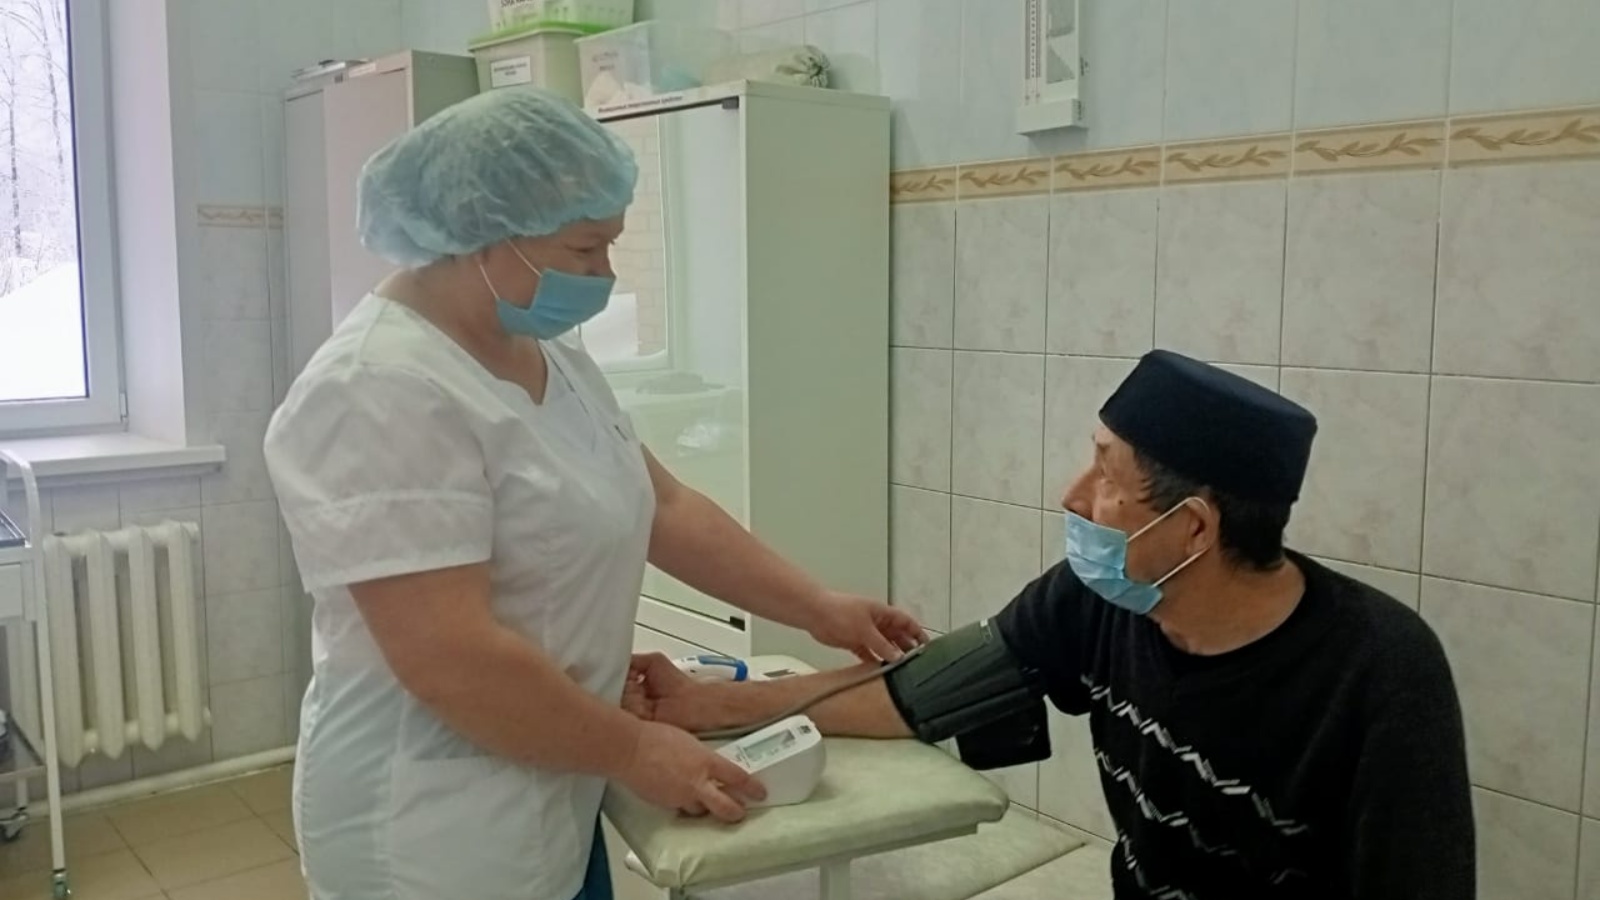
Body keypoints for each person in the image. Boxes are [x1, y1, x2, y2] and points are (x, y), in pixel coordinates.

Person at [262, 87, 924, 900]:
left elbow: (665, 508)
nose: (604, 274)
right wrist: (635, 750)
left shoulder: (546, 354)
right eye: (584, 249)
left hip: (557, 774)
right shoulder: (377, 390)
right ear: (485, 235)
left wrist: (817, 607)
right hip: (430, 825)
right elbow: (449, 656)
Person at [625, 350, 1476, 900]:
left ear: (1192, 529)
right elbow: (919, 697)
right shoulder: (1096, 598)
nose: (1071, 497)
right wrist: (715, 706)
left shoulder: (1379, 671)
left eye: (1105, 475)